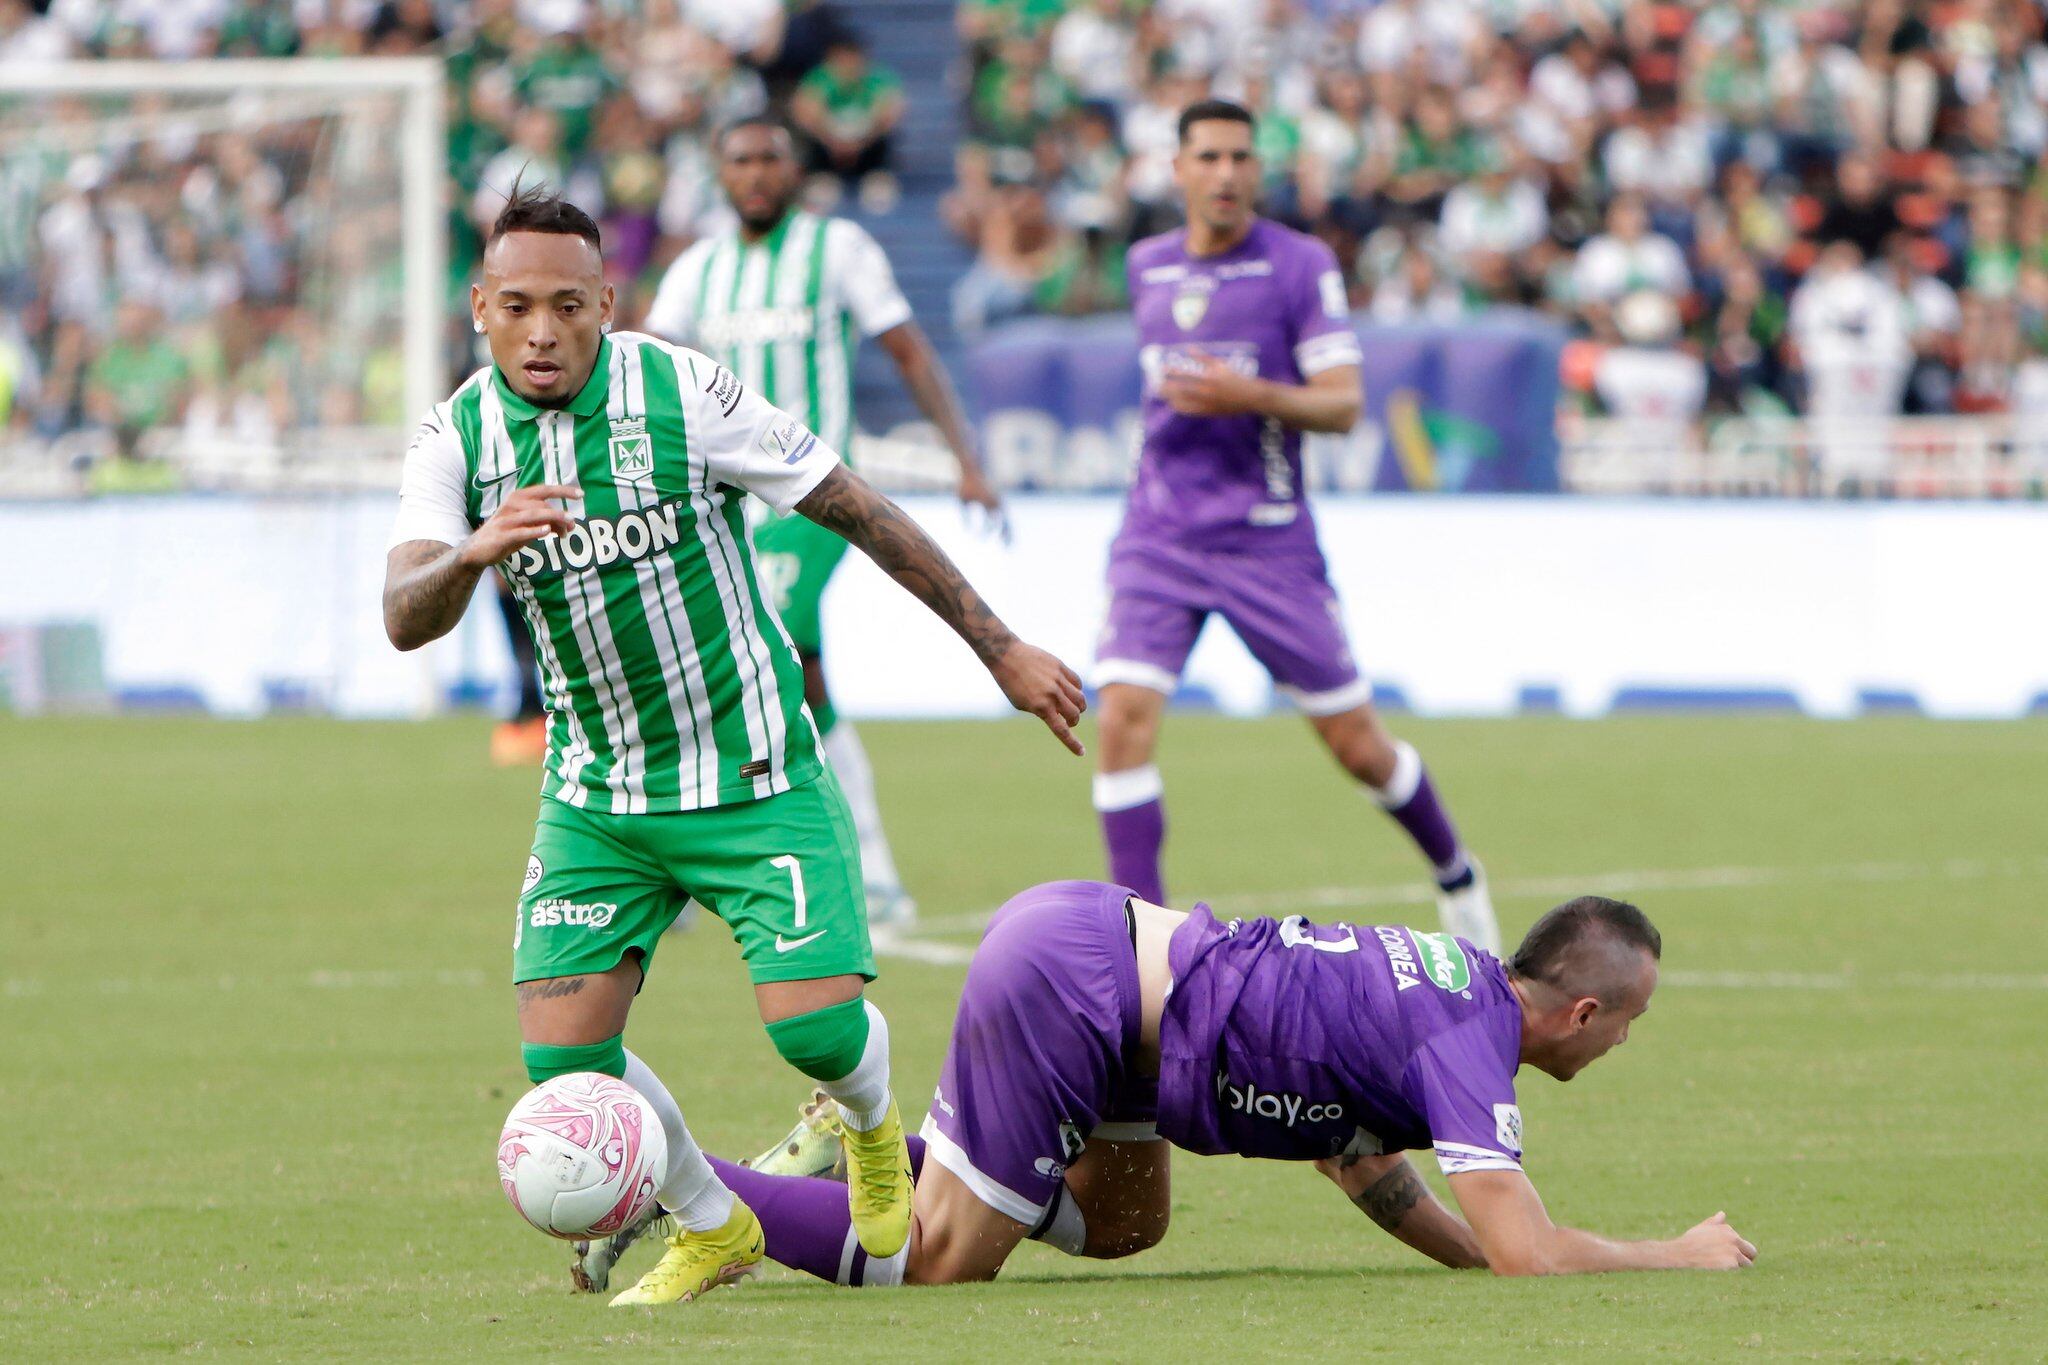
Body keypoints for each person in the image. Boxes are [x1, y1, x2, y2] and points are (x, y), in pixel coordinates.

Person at [381, 188, 1086, 1308]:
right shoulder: (454, 436)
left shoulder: (682, 391)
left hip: (749, 770)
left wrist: (996, 647)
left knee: (813, 1033)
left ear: (607, 304)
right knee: (561, 1063)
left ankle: (864, 1120)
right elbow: (402, 614)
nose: (543, 331)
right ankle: (713, 1227)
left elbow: (851, 507)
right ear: (479, 307)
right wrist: (472, 553)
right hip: (597, 795)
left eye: (568, 306)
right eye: (517, 307)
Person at [678, 882, 1757, 1285]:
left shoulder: (1455, 986)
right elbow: (1527, 1255)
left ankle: (864, 1151)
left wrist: (1481, 1253)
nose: (1624, 1043)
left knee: (1124, 1224)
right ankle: (688, 1186)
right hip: (1083, 989)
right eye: (1628, 1022)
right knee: (937, 1262)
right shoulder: (1469, 1045)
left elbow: (1369, 1168)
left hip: (1109, 984)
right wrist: (1678, 1255)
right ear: (1580, 1014)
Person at [1093, 99, 1499, 953]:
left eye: (1242, 157)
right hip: (1158, 536)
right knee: (1121, 718)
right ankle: (1148, 951)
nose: (1226, 173)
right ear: (1178, 170)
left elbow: (1346, 405)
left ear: (1259, 170)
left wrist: (1249, 395)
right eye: (1207, 157)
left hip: (1266, 541)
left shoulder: (1297, 263)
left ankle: (1457, 871)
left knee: (1357, 746)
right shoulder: (1147, 267)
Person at [645, 117, 1003, 929]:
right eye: (739, 159)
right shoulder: (699, 270)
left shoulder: (837, 249)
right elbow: (650, 372)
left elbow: (909, 350)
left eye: (770, 156)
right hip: (723, 506)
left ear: (794, 169)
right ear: (721, 172)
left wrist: (966, 459)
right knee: (780, 676)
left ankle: (862, 869)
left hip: (813, 491)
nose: (756, 172)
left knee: (776, 647)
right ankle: (724, 865)